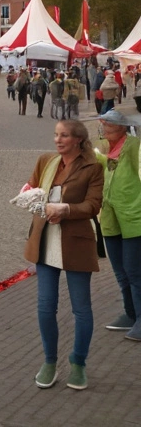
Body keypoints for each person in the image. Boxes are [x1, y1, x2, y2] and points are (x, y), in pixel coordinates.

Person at [25, 119, 103, 390]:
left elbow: (93, 206)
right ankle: (49, 361)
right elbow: (32, 190)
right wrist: (29, 200)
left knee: (82, 309)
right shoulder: (46, 161)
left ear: (78, 140)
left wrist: (65, 210)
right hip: (45, 241)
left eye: (65, 136)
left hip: (76, 242)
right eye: (56, 135)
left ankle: (78, 362)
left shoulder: (93, 167)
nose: (58, 140)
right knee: (46, 307)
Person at [95, 110, 141, 341]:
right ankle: (131, 313)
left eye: (110, 124)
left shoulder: (134, 146)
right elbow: (110, 167)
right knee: (120, 271)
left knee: (135, 271)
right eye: (103, 124)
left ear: (123, 127)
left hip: (134, 218)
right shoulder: (108, 149)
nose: (104, 128)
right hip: (111, 217)